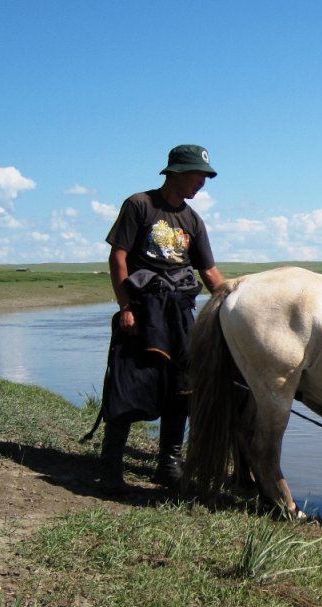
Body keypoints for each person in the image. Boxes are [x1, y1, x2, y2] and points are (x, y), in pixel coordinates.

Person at [98, 144, 225, 491]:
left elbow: (209, 273)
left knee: (182, 386)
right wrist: (125, 306)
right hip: (142, 310)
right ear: (178, 172)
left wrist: (233, 304)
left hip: (180, 313)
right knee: (130, 383)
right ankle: (110, 463)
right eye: (199, 175)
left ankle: (168, 463)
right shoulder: (140, 204)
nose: (203, 183)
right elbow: (118, 257)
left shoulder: (193, 220)